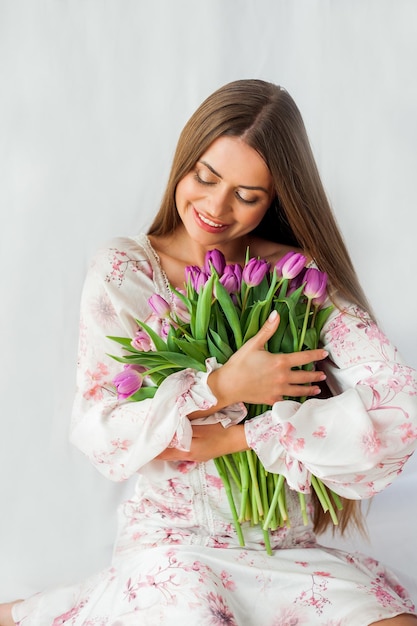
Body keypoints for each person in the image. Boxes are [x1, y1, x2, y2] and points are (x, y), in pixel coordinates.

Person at [1, 78, 417, 626]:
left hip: (284, 548)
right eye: (206, 177)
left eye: (247, 196)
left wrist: (242, 433)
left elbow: (400, 405)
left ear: (276, 199)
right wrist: (223, 387)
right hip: (175, 543)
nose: (217, 208)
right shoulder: (127, 272)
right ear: (185, 160)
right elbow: (105, 432)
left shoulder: (296, 277)